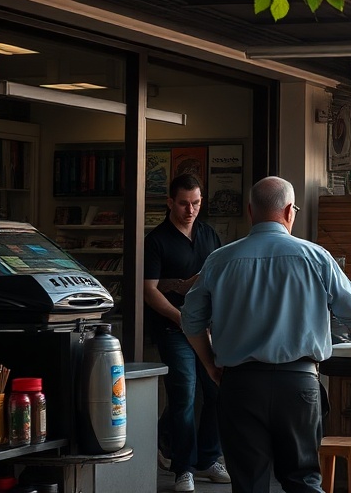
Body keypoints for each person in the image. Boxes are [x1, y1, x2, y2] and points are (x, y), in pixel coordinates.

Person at [181, 176, 351, 493]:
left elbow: (191, 320)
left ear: (251, 212)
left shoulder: (219, 260)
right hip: (298, 385)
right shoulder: (316, 257)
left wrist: (211, 365)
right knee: (302, 481)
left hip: (240, 385)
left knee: (248, 484)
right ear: (290, 211)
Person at [144, 173, 228, 493]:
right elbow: (149, 291)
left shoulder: (209, 235)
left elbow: (220, 280)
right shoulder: (156, 240)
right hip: (173, 328)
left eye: (195, 203)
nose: (190, 210)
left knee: (219, 391)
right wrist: (181, 317)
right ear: (170, 202)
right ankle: (184, 468)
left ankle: (207, 459)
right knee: (184, 395)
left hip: (207, 330)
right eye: (183, 204)